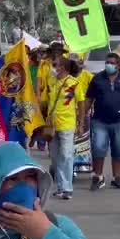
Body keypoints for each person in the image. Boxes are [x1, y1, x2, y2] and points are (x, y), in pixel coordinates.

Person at [84, 52, 120, 192]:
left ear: (118, 65)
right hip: (99, 120)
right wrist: (81, 119)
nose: (109, 64)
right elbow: (89, 99)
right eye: (107, 62)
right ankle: (98, 176)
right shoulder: (97, 78)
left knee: (119, 150)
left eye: (112, 62)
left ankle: (116, 177)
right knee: (98, 148)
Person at [43, 58, 84, 200]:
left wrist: (81, 123)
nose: (55, 68)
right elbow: (45, 101)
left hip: (67, 123)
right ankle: (61, 187)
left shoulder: (74, 83)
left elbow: (81, 102)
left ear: (65, 68)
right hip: (52, 125)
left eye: (58, 65)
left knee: (66, 155)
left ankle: (67, 188)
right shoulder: (52, 81)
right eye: (55, 65)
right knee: (55, 157)